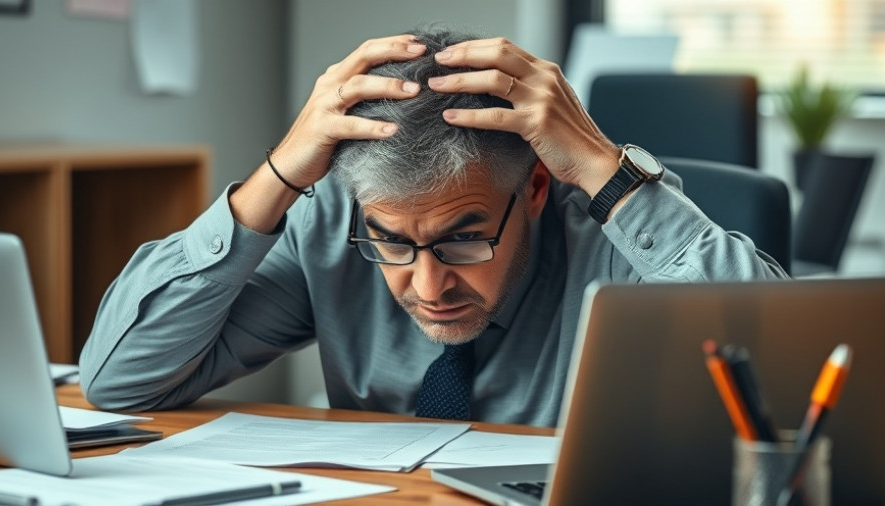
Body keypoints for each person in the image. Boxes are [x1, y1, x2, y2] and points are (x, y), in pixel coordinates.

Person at [79, 27, 787, 427]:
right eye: (391, 240)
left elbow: (785, 383)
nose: (426, 286)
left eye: (461, 238)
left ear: (535, 188)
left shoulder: (605, 235)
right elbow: (119, 380)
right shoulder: (331, 226)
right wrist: (278, 174)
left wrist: (610, 172)